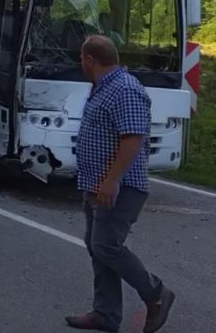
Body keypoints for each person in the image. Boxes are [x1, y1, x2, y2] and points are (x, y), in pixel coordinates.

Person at [65, 35, 174, 333]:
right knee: (96, 246)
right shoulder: (104, 87)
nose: (80, 64)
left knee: (106, 245)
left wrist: (111, 181)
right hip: (95, 183)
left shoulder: (124, 89)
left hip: (120, 186)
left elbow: (133, 138)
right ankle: (105, 314)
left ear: (90, 59)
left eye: (81, 59)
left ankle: (156, 294)